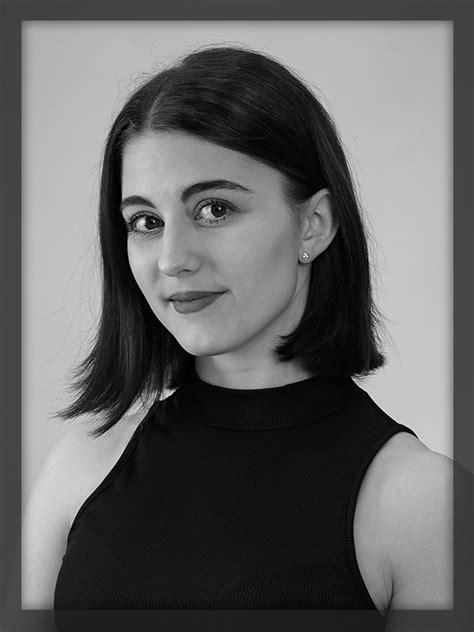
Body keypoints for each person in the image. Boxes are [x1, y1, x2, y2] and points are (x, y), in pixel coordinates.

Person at [22, 45, 452, 621]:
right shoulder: (81, 466)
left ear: (314, 224)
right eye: (146, 222)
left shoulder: (422, 503)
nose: (172, 259)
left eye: (215, 210)